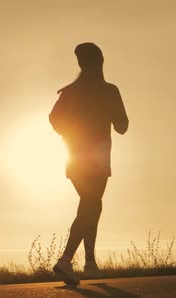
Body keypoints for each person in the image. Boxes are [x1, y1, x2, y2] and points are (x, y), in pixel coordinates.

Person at [49, 42, 129, 285]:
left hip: (73, 157)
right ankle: (66, 259)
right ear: (101, 62)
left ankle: (90, 264)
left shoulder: (71, 92)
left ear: (81, 64)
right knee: (92, 204)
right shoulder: (109, 91)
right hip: (97, 159)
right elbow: (122, 126)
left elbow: (54, 118)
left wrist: (69, 134)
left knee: (91, 204)